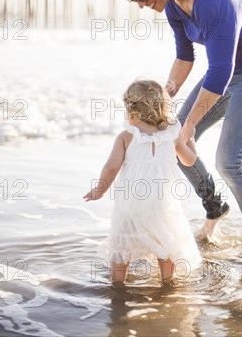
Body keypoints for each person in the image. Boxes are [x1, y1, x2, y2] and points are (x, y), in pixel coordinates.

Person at [114, 0, 242, 255]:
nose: (140, 5)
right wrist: (163, 95)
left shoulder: (216, 2)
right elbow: (184, 56)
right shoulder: (174, 4)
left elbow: (220, 70)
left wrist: (188, 124)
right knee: (172, 139)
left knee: (229, 162)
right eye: (134, 0)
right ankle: (215, 204)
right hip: (223, 76)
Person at [83, 80, 201, 285]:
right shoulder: (172, 135)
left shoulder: (127, 136)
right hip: (163, 203)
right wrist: (191, 141)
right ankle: (167, 282)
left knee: (122, 244)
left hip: (131, 204)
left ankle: (118, 283)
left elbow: (111, 168)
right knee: (164, 240)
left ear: (131, 109)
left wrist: (99, 190)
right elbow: (189, 160)